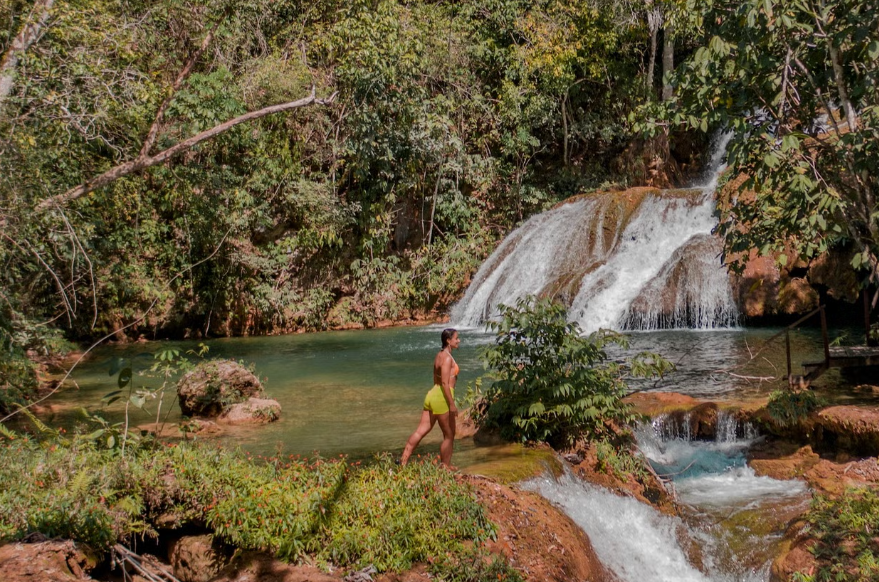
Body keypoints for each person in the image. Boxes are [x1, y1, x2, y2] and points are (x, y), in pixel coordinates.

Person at [400, 328, 460, 467]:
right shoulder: (446, 357)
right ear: (448, 340)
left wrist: (436, 395)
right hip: (443, 397)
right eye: (456, 338)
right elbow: (445, 382)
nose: (458, 340)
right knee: (449, 435)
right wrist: (451, 404)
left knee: (420, 431)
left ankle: (403, 461)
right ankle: (445, 467)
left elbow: (436, 378)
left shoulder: (439, 355)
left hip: (433, 394)